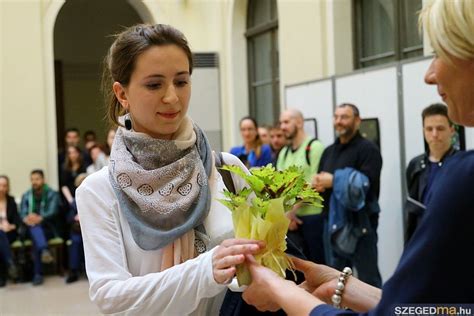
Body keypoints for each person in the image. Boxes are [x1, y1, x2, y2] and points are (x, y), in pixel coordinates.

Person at [242, 0, 474, 314]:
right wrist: (342, 285)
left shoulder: (461, 177)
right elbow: (441, 310)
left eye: (438, 54)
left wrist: (279, 289)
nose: (430, 75)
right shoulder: (329, 150)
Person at [76, 24, 263, 315]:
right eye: (154, 84)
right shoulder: (99, 191)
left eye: (181, 81)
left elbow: (263, 258)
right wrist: (205, 272)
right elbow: (110, 296)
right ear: (122, 93)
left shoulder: (228, 169)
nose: (172, 98)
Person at [313, 103, 382, 287]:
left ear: (357, 121)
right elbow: (322, 181)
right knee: (335, 281)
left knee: (368, 280)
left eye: (344, 117)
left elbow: (366, 185)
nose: (339, 121)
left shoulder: (369, 150)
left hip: (361, 224)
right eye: (336, 117)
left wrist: (334, 181)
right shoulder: (329, 151)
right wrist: (318, 184)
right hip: (332, 224)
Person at [276, 109, 325, 264]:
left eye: (286, 122)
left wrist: (291, 211)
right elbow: (279, 187)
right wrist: (286, 215)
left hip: (312, 217)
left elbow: (315, 184)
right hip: (290, 220)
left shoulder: (314, 147)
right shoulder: (284, 152)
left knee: (318, 266)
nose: (282, 127)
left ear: (299, 122)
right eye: (281, 122)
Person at [405, 103, 457, 243]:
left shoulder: (462, 165)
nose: (434, 134)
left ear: (452, 130)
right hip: (422, 237)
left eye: (440, 128)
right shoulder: (415, 165)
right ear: (423, 131)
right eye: (429, 129)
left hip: (453, 237)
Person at [20, 169, 60, 285]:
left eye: (37, 179)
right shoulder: (27, 195)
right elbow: (22, 213)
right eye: (32, 180)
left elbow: (53, 211)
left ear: (43, 180)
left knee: (36, 237)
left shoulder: (52, 193)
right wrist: (27, 218)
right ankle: (44, 250)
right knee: (34, 229)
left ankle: (38, 274)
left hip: (48, 228)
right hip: (29, 227)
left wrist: (40, 218)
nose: (34, 182)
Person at [65, 173, 88, 284]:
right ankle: (73, 271)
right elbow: (68, 219)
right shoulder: (75, 201)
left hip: (92, 230)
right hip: (78, 230)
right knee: (75, 241)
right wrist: (75, 218)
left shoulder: (95, 198)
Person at [0, 175, 20, 287]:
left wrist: (11, 226)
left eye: (4, 185)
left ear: (8, 187)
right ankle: (10, 263)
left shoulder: (11, 201)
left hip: (10, 233)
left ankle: (2, 276)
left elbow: (17, 221)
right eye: (0, 185)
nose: (1, 188)